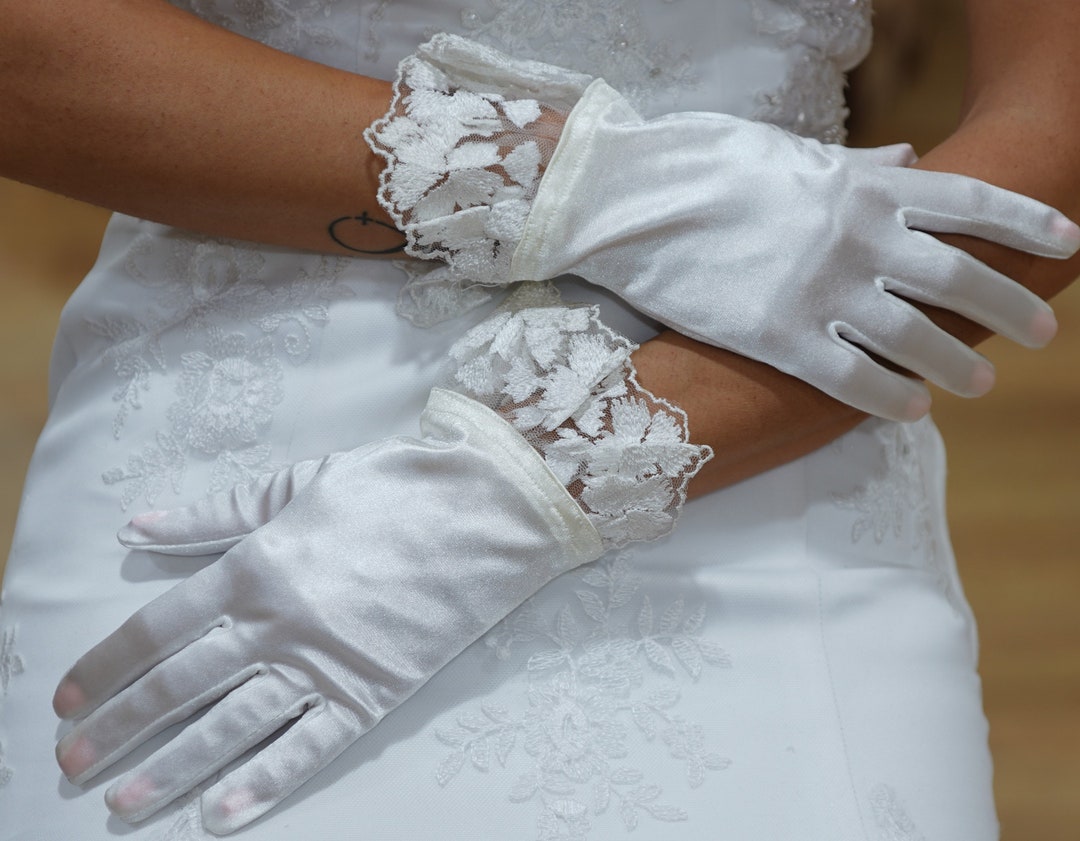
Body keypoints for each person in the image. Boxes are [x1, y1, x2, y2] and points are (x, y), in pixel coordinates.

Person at [0, 1, 1078, 839]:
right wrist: (607, 187)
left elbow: (1053, 132)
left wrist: (529, 478)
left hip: (762, 434)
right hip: (231, 475)